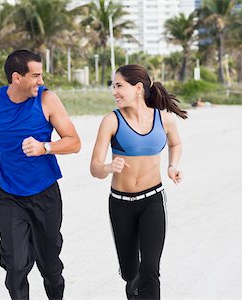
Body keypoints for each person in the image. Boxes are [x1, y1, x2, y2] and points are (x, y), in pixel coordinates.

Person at [0, 49, 81, 300]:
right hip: (9, 195)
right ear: (16, 78)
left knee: (50, 266)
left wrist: (45, 147)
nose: (41, 81)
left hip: (45, 194)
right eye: (35, 76)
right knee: (15, 266)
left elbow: (74, 142)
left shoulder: (47, 100)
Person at [90, 64, 187, 300]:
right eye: (113, 86)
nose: (114, 91)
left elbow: (175, 143)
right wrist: (107, 168)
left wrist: (172, 166)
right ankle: (132, 287)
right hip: (121, 204)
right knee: (130, 271)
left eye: (119, 86)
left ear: (138, 88)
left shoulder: (164, 119)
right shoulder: (111, 121)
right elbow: (94, 167)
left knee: (150, 269)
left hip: (152, 201)